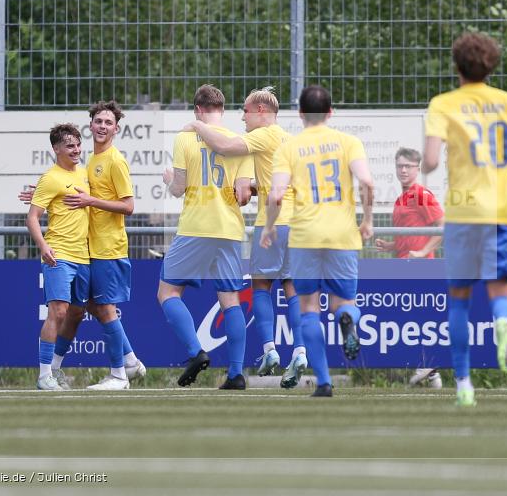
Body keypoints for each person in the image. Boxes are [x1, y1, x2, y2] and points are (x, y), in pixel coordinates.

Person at [422, 32, 507, 407]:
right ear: (491, 65)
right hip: (500, 212)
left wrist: (430, 162)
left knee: (458, 301)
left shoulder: (443, 104)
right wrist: (505, 168)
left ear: (456, 66)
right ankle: (503, 324)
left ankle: (464, 387)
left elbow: (429, 160)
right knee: (500, 292)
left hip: (462, 211)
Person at [182, 86, 307, 389]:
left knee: (260, 284)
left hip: (273, 222)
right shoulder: (291, 141)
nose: (242, 117)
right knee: (292, 286)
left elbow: (224, 145)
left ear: (262, 112)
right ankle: (301, 351)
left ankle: (269, 350)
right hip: (300, 223)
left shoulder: (264, 135)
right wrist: (254, 186)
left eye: (246, 111)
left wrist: (198, 124)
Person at [20, 101, 146, 390]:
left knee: (102, 308)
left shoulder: (114, 160)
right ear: (91, 125)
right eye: (98, 121)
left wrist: (88, 201)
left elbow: (128, 207)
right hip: (83, 252)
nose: (102, 126)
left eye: (108, 122)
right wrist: (39, 194)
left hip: (107, 249)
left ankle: (120, 372)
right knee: (79, 310)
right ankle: (122, 362)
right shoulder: (86, 166)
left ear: (116, 128)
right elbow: (55, 192)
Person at [262, 85, 374, 398]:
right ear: (330, 112)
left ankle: (324, 382)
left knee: (309, 308)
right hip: (342, 235)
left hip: (304, 236)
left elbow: (275, 194)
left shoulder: (290, 147)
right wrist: (367, 220)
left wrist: (270, 228)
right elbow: (366, 181)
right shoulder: (348, 142)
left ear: (299, 114)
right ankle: (347, 320)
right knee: (344, 303)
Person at [159, 84, 255, 390]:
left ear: (198, 110)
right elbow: (243, 194)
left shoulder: (185, 138)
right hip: (229, 228)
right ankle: (237, 374)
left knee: (168, 293)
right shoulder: (240, 142)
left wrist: (170, 180)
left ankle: (195, 352)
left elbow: (179, 189)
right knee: (231, 301)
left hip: (196, 227)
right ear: (222, 110)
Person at [26, 124, 90, 391]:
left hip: (84, 256)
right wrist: (43, 246)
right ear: (56, 149)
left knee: (75, 313)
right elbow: (32, 217)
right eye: (70, 146)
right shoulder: (50, 177)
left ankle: (54, 368)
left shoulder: (85, 174)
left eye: (77, 145)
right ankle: (43, 377)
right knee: (58, 312)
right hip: (59, 254)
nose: (76, 150)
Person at [373, 147, 444, 388]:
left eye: (408, 166)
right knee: (409, 317)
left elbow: (442, 227)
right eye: (400, 166)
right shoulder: (401, 199)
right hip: (404, 265)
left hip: (421, 267)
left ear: (417, 169)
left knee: (417, 316)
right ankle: (432, 371)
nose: (403, 170)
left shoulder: (421, 194)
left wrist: (424, 252)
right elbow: (409, 237)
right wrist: (391, 246)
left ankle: (429, 364)